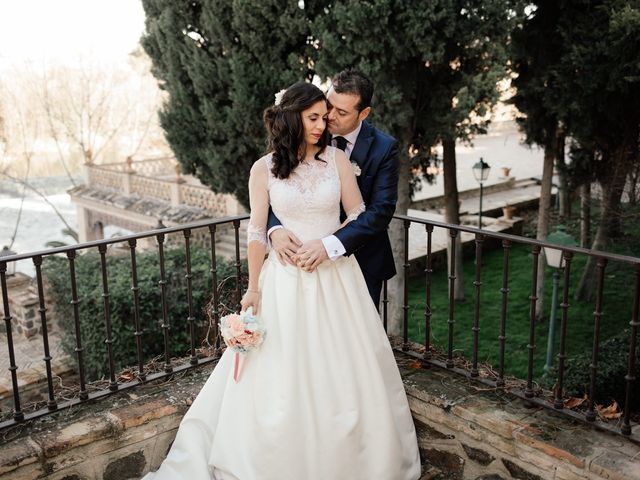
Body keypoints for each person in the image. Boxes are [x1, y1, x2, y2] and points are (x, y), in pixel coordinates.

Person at [142, 82, 420, 480]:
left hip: (335, 281)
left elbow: (360, 215)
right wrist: (253, 288)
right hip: (284, 284)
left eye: (325, 118)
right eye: (314, 118)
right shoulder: (262, 169)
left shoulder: (338, 161)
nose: (323, 125)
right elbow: (256, 231)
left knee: (343, 370)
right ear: (291, 117)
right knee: (281, 373)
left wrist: (328, 243)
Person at [269, 69, 398, 308]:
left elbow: (381, 211)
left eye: (341, 112)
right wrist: (274, 229)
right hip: (300, 262)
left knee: (355, 338)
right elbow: (275, 185)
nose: (329, 117)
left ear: (364, 113)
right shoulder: (306, 132)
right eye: (329, 106)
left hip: (361, 259)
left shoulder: (384, 148)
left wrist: (329, 245)